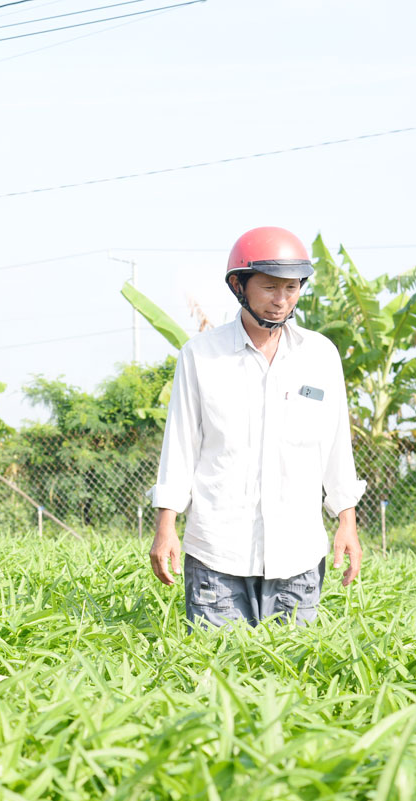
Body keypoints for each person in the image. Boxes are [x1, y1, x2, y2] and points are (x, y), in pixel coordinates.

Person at [148, 226, 365, 629]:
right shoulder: (201, 356)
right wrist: (166, 527)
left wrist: (346, 522)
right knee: (218, 679)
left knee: (294, 682)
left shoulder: (320, 356)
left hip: (298, 555)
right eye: (269, 287)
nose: (281, 300)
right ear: (239, 285)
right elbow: (179, 448)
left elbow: (337, 447)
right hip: (216, 554)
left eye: (291, 288)